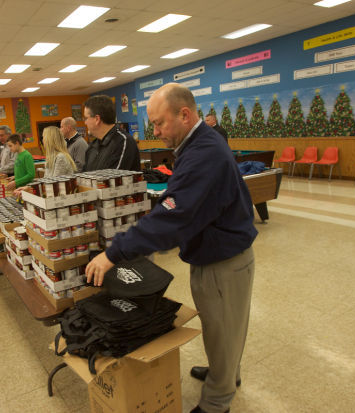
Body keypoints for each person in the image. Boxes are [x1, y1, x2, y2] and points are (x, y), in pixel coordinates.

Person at [86, 83, 257, 413]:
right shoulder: (202, 143)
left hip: (224, 262)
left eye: (160, 123)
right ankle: (226, 370)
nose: (156, 131)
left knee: (224, 330)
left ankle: (216, 403)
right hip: (220, 252)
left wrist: (113, 253)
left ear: (185, 114)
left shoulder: (203, 155)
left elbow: (170, 218)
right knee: (224, 327)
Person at [82, 95, 140, 172]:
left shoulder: (124, 142)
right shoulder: (92, 147)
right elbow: (84, 176)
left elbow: (113, 180)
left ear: (97, 119)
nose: (85, 122)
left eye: (86, 118)